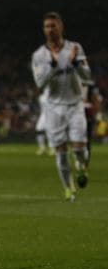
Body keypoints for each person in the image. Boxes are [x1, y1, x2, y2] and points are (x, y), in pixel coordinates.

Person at [31, 12, 92, 201]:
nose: (50, 30)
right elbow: (40, 83)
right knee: (61, 152)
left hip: (75, 105)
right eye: (47, 26)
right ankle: (68, 188)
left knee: (80, 149)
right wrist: (53, 65)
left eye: (53, 26)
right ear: (43, 30)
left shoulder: (75, 48)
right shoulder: (39, 55)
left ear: (61, 27)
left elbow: (87, 77)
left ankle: (82, 166)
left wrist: (75, 63)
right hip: (53, 109)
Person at [34, 87, 54, 156]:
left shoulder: (54, 97)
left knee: (50, 132)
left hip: (52, 115)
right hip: (43, 115)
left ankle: (53, 148)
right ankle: (42, 148)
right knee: (38, 129)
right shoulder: (41, 98)